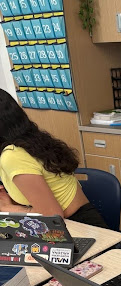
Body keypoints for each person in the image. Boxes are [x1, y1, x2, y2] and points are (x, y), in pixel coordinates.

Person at [0, 89, 108, 228]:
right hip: (72, 225)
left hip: (78, 227)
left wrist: (8, 208)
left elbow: (52, 216)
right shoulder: (28, 140)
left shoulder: (13, 155)